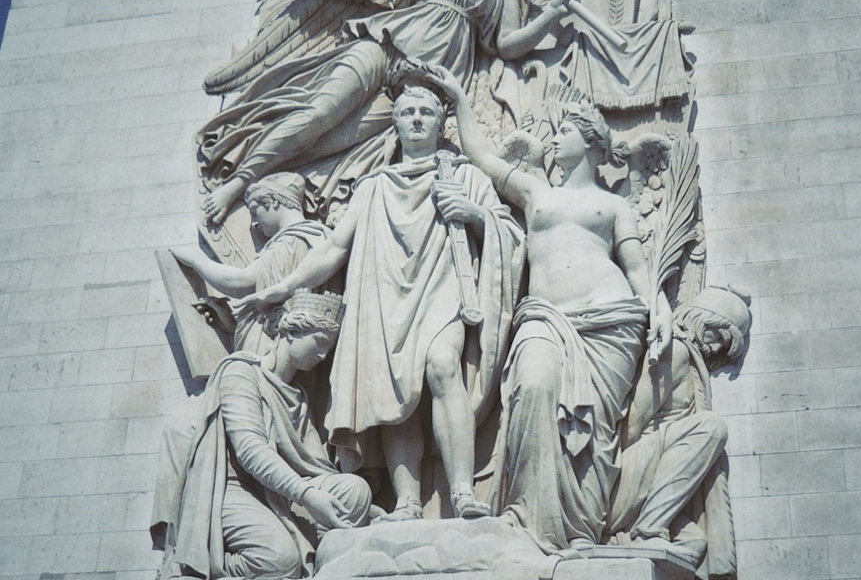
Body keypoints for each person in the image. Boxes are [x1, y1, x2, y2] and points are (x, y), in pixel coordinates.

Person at [236, 84, 525, 521]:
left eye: (426, 112)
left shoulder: (465, 176)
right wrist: (286, 287)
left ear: (440, 122)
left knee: (443, 365)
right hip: (384, 294)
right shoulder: (373, 186)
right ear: (395, 121)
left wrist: (473, 213)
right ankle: (407, 500)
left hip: (442, 288)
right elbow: (335, 247)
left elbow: (509, 233)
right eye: (407, 111)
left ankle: (462, 493)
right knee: (393, 391)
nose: (415, 119)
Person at [198, 0, 570, 224]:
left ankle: (271, 176)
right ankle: (239, 181)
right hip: (382, 44)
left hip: (423, 78)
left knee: (335, 140)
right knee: (320, 113)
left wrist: (551, 14)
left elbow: (506, 45)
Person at [423, 65, 671, 553]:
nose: (553, 141)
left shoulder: (614, 205)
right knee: (533, 386)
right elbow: (480, 154)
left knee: (593, 432)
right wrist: (457, 97)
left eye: (564, 132)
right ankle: (527, 521)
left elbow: (640, 270)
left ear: (592, 142)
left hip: (609, 322)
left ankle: (578, 530)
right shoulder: (537, 192)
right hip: (544, 319)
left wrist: (659, 310)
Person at [150, 290, 371, 580]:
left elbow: (313, 467)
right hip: (228, 489)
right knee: (279, 561)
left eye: (328, 348)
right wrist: (308, 496)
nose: (322, 356)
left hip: (277, 492)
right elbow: (251, 450)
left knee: (355, 490)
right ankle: (194, 561)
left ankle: (309, 549)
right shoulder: (240, 372)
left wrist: (366, 507)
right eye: (320, 344)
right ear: (292, 332)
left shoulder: (297, 396)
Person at [606, 285, 751, 580]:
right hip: (624, 473)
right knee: (711, 428)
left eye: (722, 349)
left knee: (695, 543)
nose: (713, 350)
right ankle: (647, 530)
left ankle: (623, 539)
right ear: (702, 319)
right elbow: (630, 428)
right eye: (716, 338)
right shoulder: (677, 351)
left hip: (644, 477)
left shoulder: (691, 357)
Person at [171, 172, 329, 353]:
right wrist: (231, 324)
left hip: (272, 357)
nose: (254, 223)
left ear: (273, 201)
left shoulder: (292, 240)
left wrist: (196, 259)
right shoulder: (315, 238)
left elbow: (242, 282)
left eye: (254, 211)